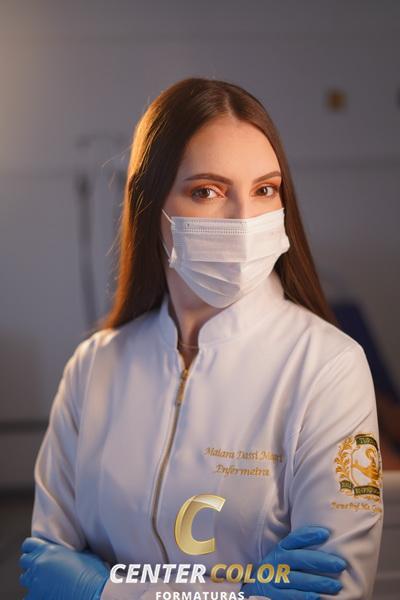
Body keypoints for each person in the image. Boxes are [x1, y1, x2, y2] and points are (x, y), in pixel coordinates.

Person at [19, 77, 383, 600]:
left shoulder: (328, 367)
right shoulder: (93, 368)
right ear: (151, 205)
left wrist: (107, 591)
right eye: (207, 191)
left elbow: (334, 590)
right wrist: (242, 591)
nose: (244, 220)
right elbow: (48, 571)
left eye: (265, 189)